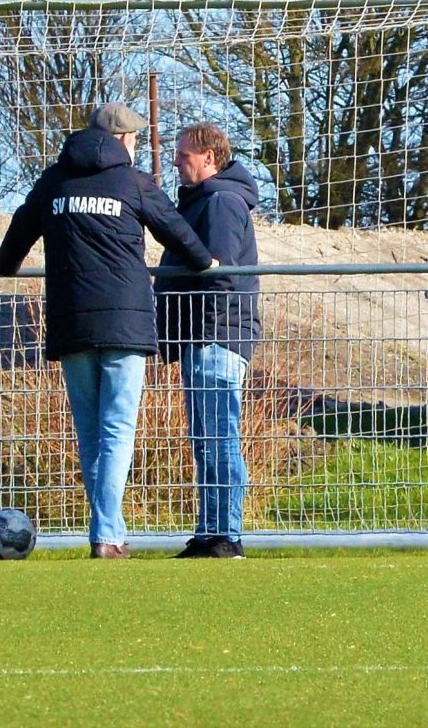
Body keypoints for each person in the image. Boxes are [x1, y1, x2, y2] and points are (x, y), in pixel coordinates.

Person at [0, 103, 215, 559]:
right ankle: (107, 535)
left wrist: (4, 267)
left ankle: (107, 531)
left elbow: (19, 229)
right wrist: (205, 262)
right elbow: (176, 232)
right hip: (126, 323)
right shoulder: (134, 183)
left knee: (91, 434)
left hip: (71, 322)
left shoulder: (54, 181)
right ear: (124, 140)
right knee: (117, 431)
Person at [155, 123, 261, 560]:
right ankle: (210, 531)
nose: (177, 162)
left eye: (184, 155)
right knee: (208, 437)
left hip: (214, 337)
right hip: (205, 336)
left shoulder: (219, 203)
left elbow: (220, 272)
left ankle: (226, 535)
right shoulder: (208, 201)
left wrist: (200, 330)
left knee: (218, 434)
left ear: (210, 158)